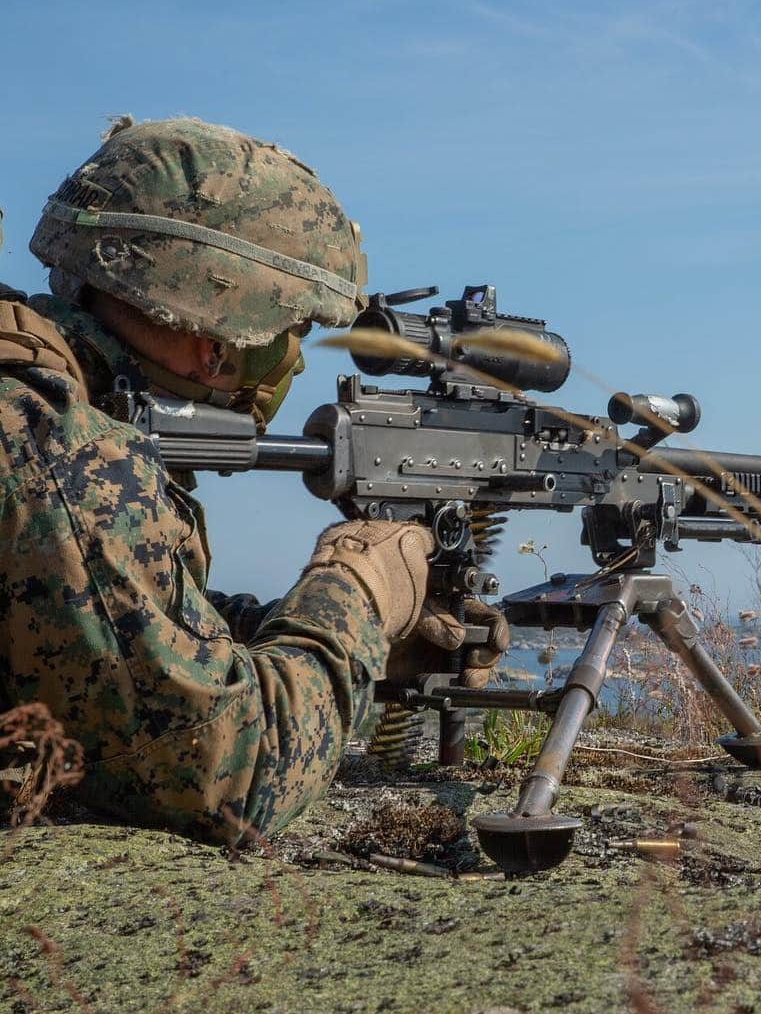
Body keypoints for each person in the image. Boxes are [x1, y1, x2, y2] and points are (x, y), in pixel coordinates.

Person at [0, 117, 507, 843]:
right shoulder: (59, 448)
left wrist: (349, 639)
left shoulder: (35, 396)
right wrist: (356, 590)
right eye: (294, 325)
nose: (295, 358)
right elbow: (236, 775)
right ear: (218, 336)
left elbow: (118, 633)